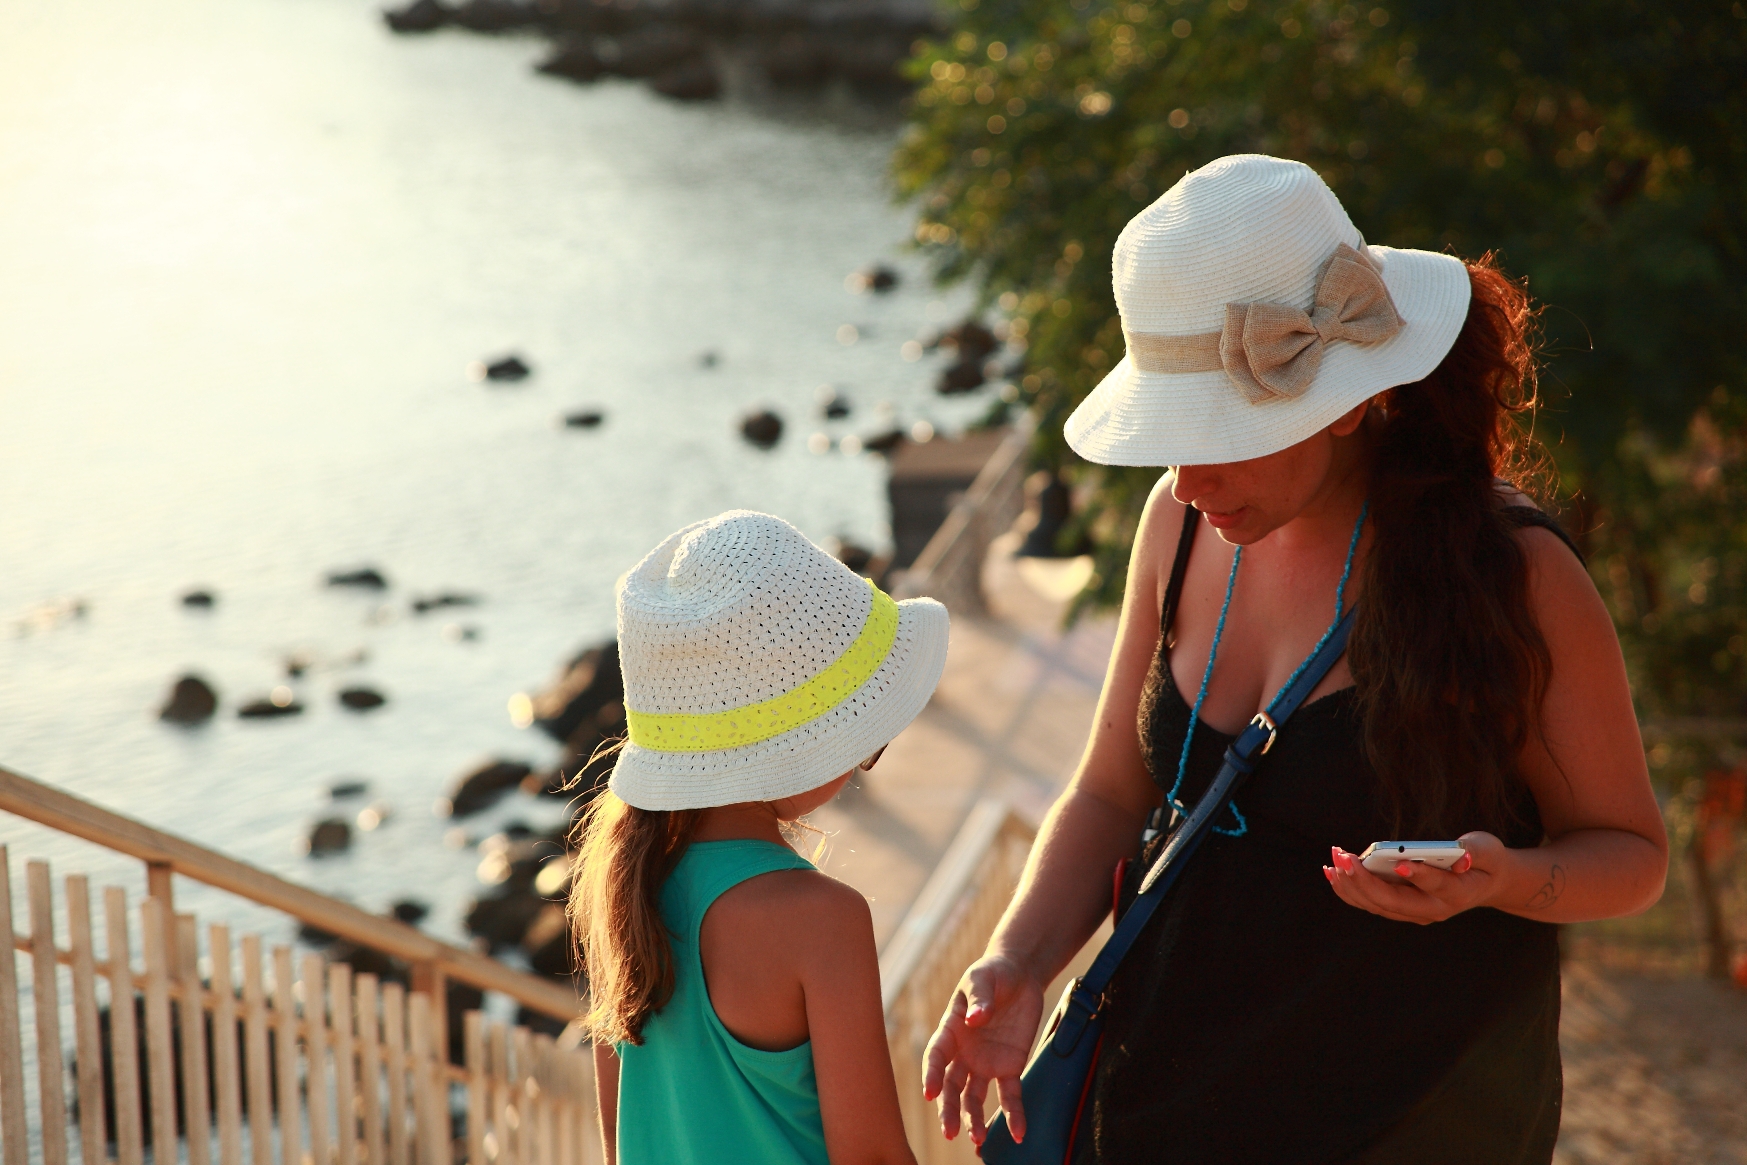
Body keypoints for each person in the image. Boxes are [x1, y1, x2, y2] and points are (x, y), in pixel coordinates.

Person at [921, 154, 1669, 1163]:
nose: (1186, 478)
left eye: (1217, 434)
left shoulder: (1514, 577)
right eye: (1170, 435)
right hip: (1154, 1114)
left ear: (1350, 399)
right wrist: (1015, 963)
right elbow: (1109, 788)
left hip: (1419, 1126)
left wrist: (1499, 880)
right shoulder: (1175, 524)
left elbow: (1629, 856)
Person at [570, 509, 948, 1165]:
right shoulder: (820, 919)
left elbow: (619, 1145)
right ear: (798, 746)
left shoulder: (621, 893)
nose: (867, 754)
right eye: (863, 738)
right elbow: (874, 1156)